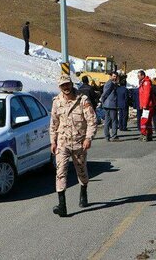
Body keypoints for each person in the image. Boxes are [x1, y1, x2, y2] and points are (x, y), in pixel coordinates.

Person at [50, 74, 98, 217]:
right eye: (63, 85)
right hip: (62, 143)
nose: (66, 88)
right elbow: (53, 124)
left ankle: (83, 191)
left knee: (81, 171)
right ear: (60, 87)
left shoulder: (82, 100)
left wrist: (88, 138)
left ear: (71, 84)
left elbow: (92, 121)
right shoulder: (56, 102)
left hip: (79, 143)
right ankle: (62, 205)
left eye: (67, 84)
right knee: (61, 172)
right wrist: (53, 141)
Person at [100, 72, 121, 142]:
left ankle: (107, 136)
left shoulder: (110, 83)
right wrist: (102, 99)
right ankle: (114, 136)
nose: (115, 78)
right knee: (114, 120)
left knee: (107, 121)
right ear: (110, 76)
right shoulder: (110, 84)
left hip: (107, 104)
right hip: (111, 105)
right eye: (114, 76)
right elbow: (105, 93)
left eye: (116, 76)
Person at [138, 70, 156, 141]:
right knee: (148, 121)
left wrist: (144, 105)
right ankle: (149, 134)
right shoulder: (144, 82)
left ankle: (144, 134)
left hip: (147, 105)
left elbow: (146, 95)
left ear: (142, 75)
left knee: (144, 120)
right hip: (147, 104)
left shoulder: (146, 83)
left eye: (139, 76)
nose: (138, 77)